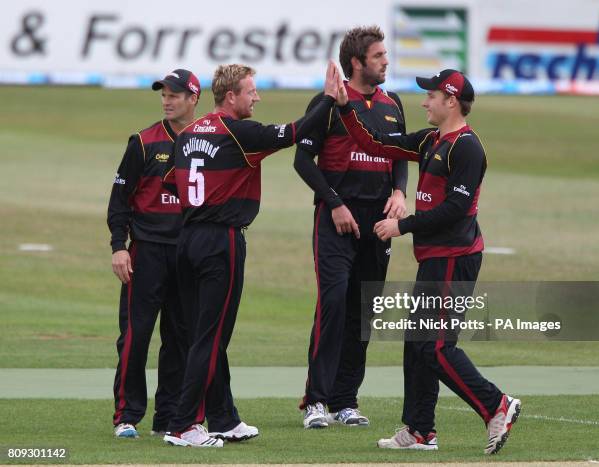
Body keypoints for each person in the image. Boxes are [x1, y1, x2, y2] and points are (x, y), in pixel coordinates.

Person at [334, 69, 521, 454]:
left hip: (456, 257)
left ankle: (495, 405)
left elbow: (456, 208)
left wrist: (402, 226)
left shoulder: (466, 147)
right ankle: (420, 430)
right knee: (417, 343)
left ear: (451, 101)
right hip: (436, 257)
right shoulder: (432, 140)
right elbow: (378, 144)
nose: (424, 102)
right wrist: (345, 109)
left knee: (435, 346)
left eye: (431, 96)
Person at [162, 62, 341, 448]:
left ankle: (223, 418)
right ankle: (184, 424)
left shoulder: (188, 132)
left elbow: (172, 186)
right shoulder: (239, 132)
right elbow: (296, 133)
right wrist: (327, 99)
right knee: (210, 339)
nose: (256, 97)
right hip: (220, 242)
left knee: (205, 336)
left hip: (187, 239)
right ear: (232, 97)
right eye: (251, 91)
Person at [294, 26, 408, 429]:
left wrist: (399, 192)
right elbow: (302, 161)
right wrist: (335, 203)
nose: (386, 61)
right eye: (378, 56)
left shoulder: (392, 102)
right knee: (334, 302)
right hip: (336, 218)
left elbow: (399, 155)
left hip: (379, 222)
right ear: (357, 63)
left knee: (363, 309)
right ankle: (316, 402)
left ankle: (346, 400)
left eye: (385, 55)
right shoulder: (328, 102)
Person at [107, 69, 200, 438]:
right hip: (146, 253)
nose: (167, 99)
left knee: (180, 337)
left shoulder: (205, 141)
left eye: (175, 94)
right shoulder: (143, 143)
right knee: (135, 335)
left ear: (193, 98)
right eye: (164, 93)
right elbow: (119, 201)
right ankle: (127, 416)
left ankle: (169, 417)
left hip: (188, 254)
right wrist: (119, 247)